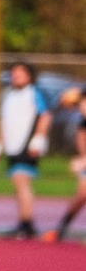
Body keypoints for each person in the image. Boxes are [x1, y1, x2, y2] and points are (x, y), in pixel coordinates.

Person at [0, 62, 51, 239]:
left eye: (19, 73)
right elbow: (4, 121)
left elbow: (45, 116)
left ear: (29, 76)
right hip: (12, 146)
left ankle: (27, 223)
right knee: (17, 184)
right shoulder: (8, 95)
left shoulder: (34, 93)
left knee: (21, 182)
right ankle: (23, 221)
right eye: (13, 73)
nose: (15, 76)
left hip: (27, 145)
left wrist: (38, 139)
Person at [49, 94, 86, 242]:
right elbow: (81, 141)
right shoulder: (82, 122)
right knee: (82, 195)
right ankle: (62, 228)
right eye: (81, 104)